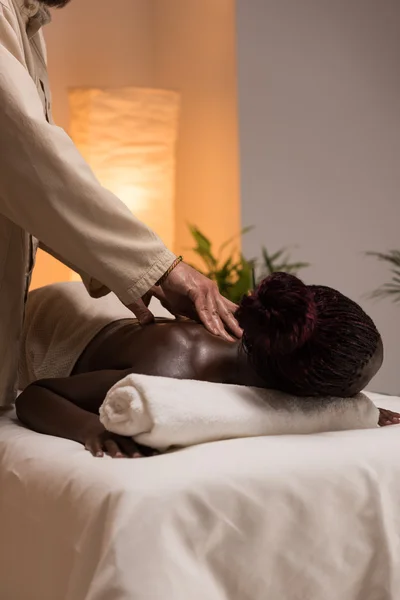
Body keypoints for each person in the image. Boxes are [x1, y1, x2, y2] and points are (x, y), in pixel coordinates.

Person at [0, 0, 240, 408]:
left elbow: (29, 187)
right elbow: (30, 162)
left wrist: (136, 271)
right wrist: (157, 268)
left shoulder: (28, 22)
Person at [16, 273, 399, 458]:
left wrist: (353, 410)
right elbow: (36, 395)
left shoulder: (266, 332)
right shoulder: (169, 369)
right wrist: (91, 427)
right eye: (349, 391)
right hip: (38, 320)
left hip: (106, 312)